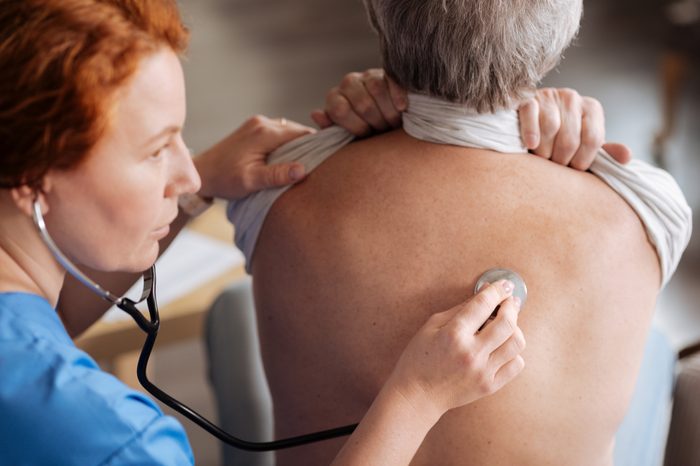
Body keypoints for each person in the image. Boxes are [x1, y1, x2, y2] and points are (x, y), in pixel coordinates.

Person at [0, 0, 619, 465]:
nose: (190, 172)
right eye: (157, 150)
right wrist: (415, 398)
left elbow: (33, 331)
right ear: (31, 173)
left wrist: (201, 187)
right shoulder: (111, 438)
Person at [234, 0, 692, 465]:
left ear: (377, 12)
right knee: (651, 350)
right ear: (561, 26)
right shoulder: (646, 206)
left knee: (228, 313)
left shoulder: (274, 181)